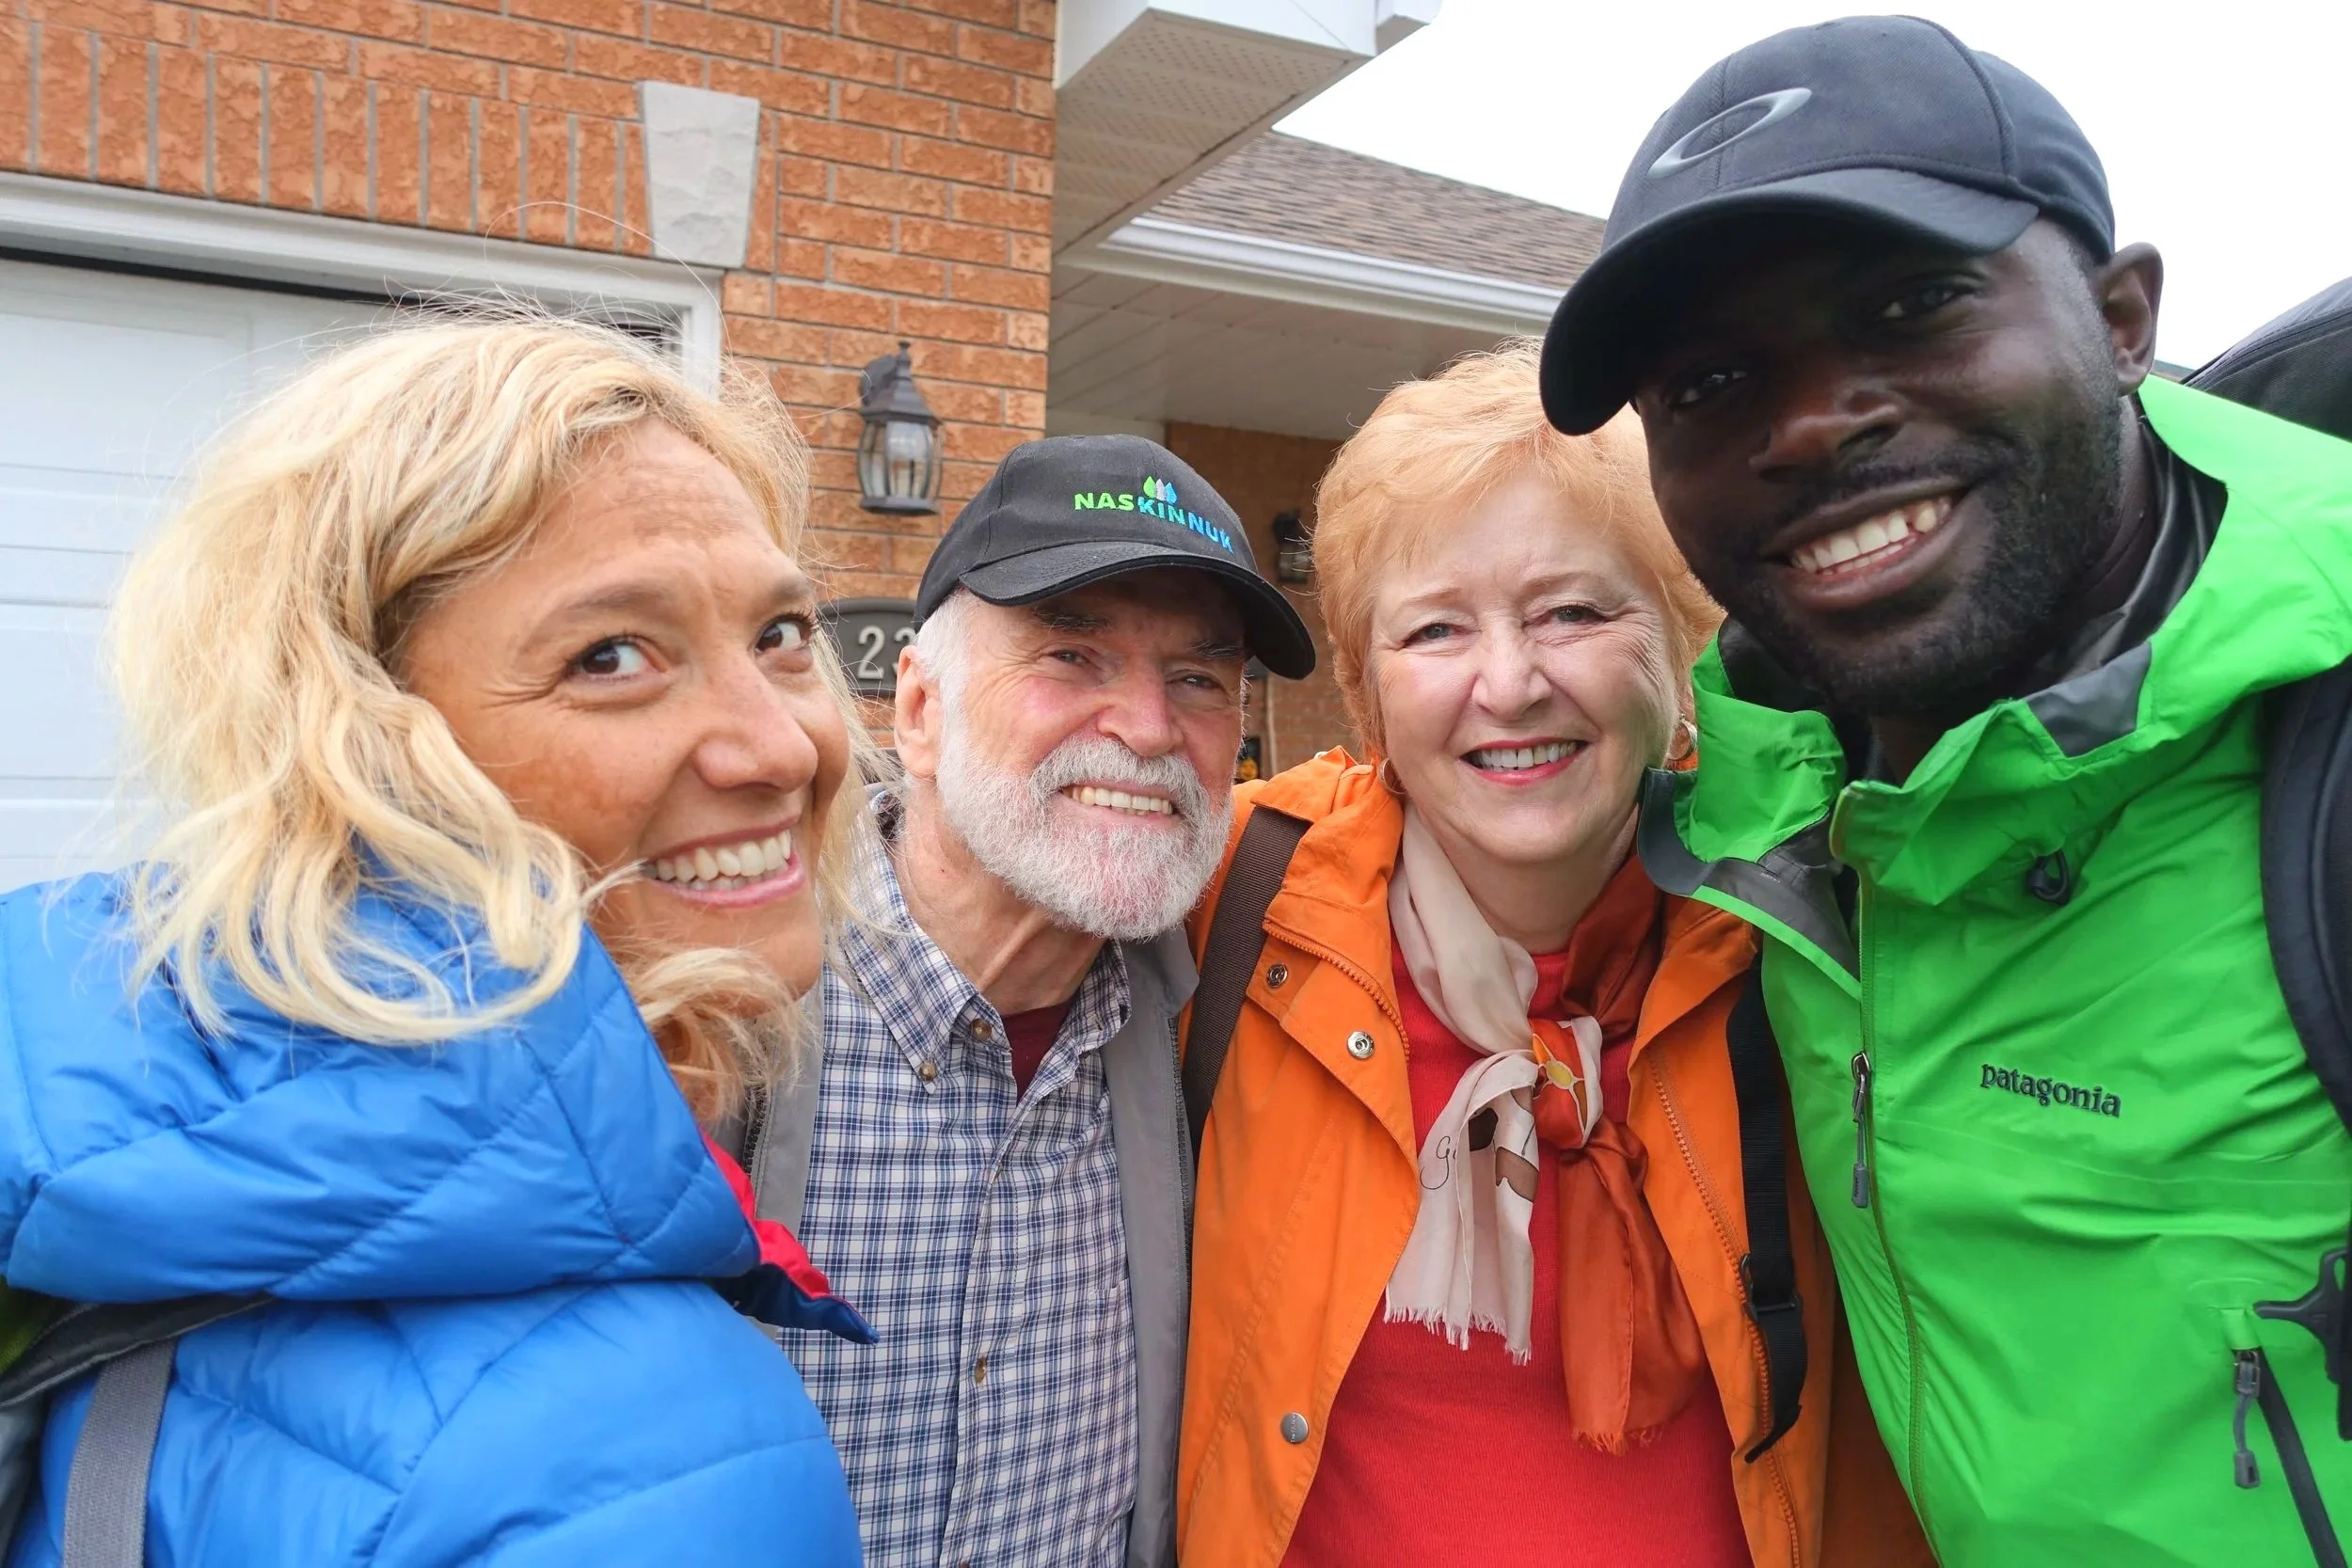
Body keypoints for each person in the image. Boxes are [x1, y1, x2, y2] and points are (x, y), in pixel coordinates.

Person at [1539, 16, 2352, 1568]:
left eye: (1915, 303)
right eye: (1713, 379)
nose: (1810, 422)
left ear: (2122, 319)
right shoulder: (1754, 833)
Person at [0, 319, 870, 1566]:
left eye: (782, 633)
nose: (785, 744)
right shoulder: (645, 1430)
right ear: (354, 744)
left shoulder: (140, 1159)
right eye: (613, 655)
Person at [1176, 342, 1929, 1568]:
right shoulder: (1241, 905)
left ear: (1680, 653)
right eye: (1435, 628)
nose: (1510, 681)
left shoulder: (1816, 932)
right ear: (1368, 694)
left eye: (1572, 609)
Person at [746, 436, 1316, 1568]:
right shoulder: (725, 1012)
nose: (1149, 729)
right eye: (1071, 653)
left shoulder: (1220, 1011)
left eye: (1198, 679)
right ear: (918, 708)